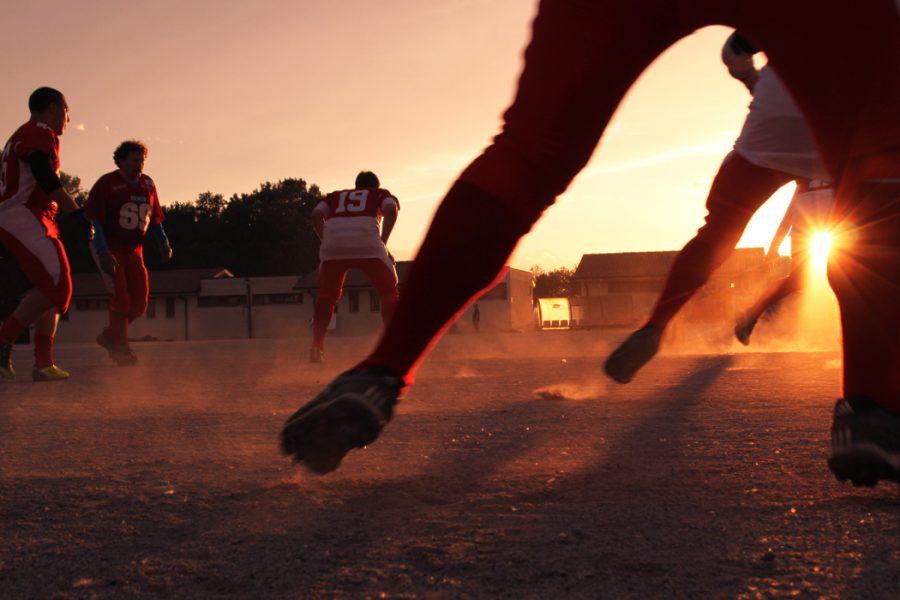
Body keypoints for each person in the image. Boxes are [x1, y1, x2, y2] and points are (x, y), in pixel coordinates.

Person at [282, 1, 900, 488]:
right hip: (819, 105)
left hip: (763, 119)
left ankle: (381, 373)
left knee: (526, 160)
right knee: (878, 178)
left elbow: (736, 51)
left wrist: (750, 73)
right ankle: (869, 407)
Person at [604, 33, 829, 383]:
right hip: (849, 120)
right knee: (872, 248)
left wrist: (751, 78)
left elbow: (734, 52)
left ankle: (656, 325)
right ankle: (867, 396)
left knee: (718, 231)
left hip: (776, 112)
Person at [0, 87, 94, 382]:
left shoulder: (27, 134)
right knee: (56, 282)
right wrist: (76, 212)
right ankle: (3, 341)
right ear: (52, 108)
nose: (69, 117)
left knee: (53, 290)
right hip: (21, 213)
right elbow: (44, 174)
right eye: (67, 110)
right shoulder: (39, 130)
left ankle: (43, 361)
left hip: (31, 214)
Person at [85, 140, 171, 366]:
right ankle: (121, 350)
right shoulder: (107, 183)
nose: (139, 164)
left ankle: (111, 336)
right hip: (110, 247)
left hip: (135, 250)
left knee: (140, 303)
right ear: (121, 161)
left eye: (142, 160)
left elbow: (155, 219)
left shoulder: (148, 184)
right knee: (121, 299)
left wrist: (163, 242)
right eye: (134, 160)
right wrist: (103, 252)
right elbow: (95, 221)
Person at [307, 171, 399, 363]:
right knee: (389, 292)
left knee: (327, 296)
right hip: (368, 242)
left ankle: (317, 346)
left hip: (332, 246)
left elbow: (316, 214)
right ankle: (394, 346)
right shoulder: (379, 194)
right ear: (375, 186)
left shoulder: (334, 196)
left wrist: (327, 240)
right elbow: (391, 209)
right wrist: (383, 242)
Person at [734, 179, 834, 345]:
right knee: (849, 279)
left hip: (808, 216)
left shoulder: (805, 167)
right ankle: (853, 332)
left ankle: (750, 316)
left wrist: (776, 243)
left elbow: (792, 206)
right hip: (834, 216)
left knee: (798, 280)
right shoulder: (844, 159)